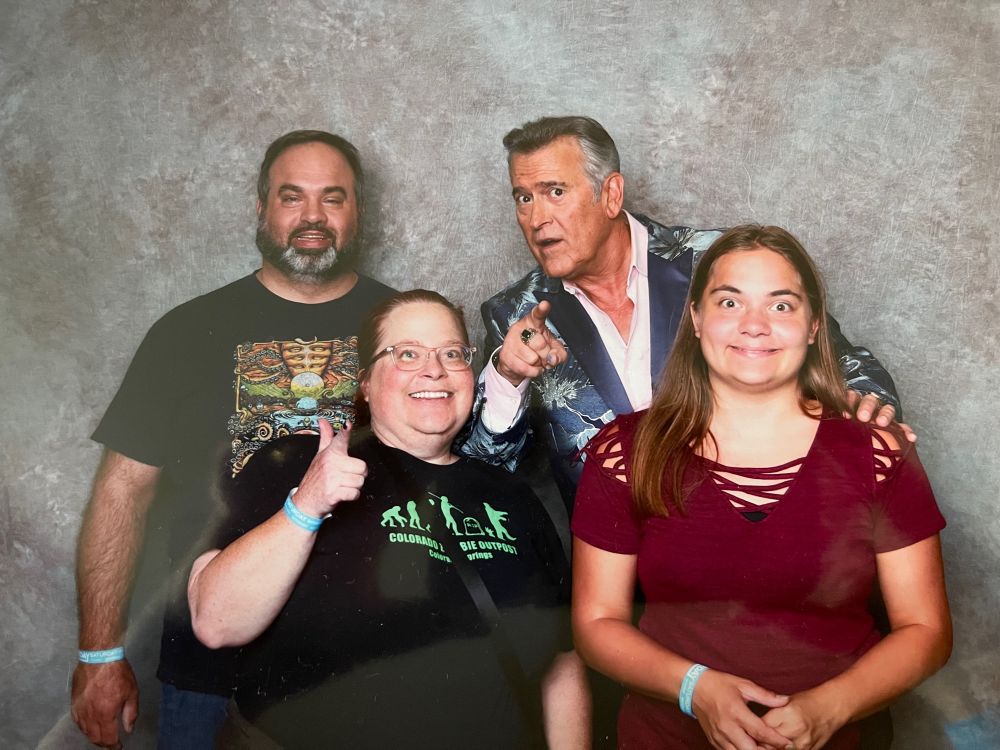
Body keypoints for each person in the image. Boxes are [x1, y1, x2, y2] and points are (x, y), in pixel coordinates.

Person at [71, 130, 395, 749]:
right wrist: (98, 653)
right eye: (291, 197)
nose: (312, 217)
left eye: (333, 199)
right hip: (210, 671)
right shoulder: (186, 332)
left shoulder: (404, 326)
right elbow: (122, 495)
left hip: (367, 660)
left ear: (358, 211)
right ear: (261, 207)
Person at [571, 225, 951, 749]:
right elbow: (596, 622)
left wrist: (827, 709)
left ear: (814, 325)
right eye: (730, 302)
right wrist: (694, 690)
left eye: (781, 306)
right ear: (697, 320)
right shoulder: (626, 453)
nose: (754, 326)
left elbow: (926, 631)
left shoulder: (879, 455)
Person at [187, 290, 589, 749]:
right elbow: (214, 621)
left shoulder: (513, 496)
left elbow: (560, 662)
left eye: (451, 353)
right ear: (365, 381)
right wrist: (306, 507)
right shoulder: (301, 462)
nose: (433, 369)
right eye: (407, 353)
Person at [459, 116, 907, 511]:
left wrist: (866, 404)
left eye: (554, 192)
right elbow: (488, 472)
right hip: (621, 576)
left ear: (611, 193)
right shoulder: (513, 315)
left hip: (764, 537)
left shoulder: (717, 261)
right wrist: (508, 375)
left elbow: (842, 361)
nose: (537, 219)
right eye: (523, 198)